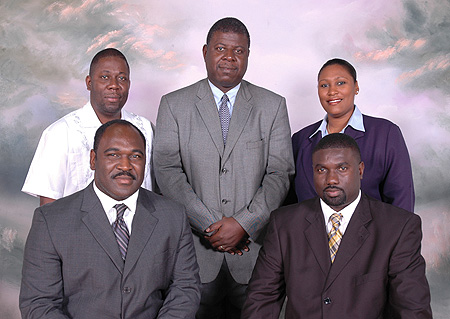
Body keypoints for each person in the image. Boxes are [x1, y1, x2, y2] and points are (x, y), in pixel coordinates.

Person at [153, 17, 294, 319]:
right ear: (205, 52)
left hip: (254, 255)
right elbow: (166, 170)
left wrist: (244, 223)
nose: (229, 58)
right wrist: (211, 225)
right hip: (193, 255)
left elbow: (280, 173)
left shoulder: (273, 106)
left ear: (248, 56)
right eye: (220, 48)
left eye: (239, 51)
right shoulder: (173, 105)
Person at [19, 120, 201, 319]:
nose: (125, 165)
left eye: (135, 156)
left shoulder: (173, 216)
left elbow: (185, 289)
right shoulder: (51, 220)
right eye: (113, 155)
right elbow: (39, 303)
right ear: (93, 159)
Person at [242, 133, 432, 319]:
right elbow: (262, 299)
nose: (331, 179)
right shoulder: (283, 224)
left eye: (342, 168)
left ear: (360, 170)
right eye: (321, 170)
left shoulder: (399, 227)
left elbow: (412, 308)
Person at [22, 48, 155, 206]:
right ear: (89, 83)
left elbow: (155, 191)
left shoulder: (145, 128)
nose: (114, 85)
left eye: (122, 78)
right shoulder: (60, 133)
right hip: (77, 229)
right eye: (105, 77)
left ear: (129, 84)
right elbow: (48, 208)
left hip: (138, 228)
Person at [291, 58, 414, 211]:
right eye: (324, 85)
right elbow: (291, 205)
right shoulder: (300, 140)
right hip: (308, 234)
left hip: (372, 234)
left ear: (356, 87)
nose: (332, 91)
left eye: (340, 83)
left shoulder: (385, 134)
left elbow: (401, 201)